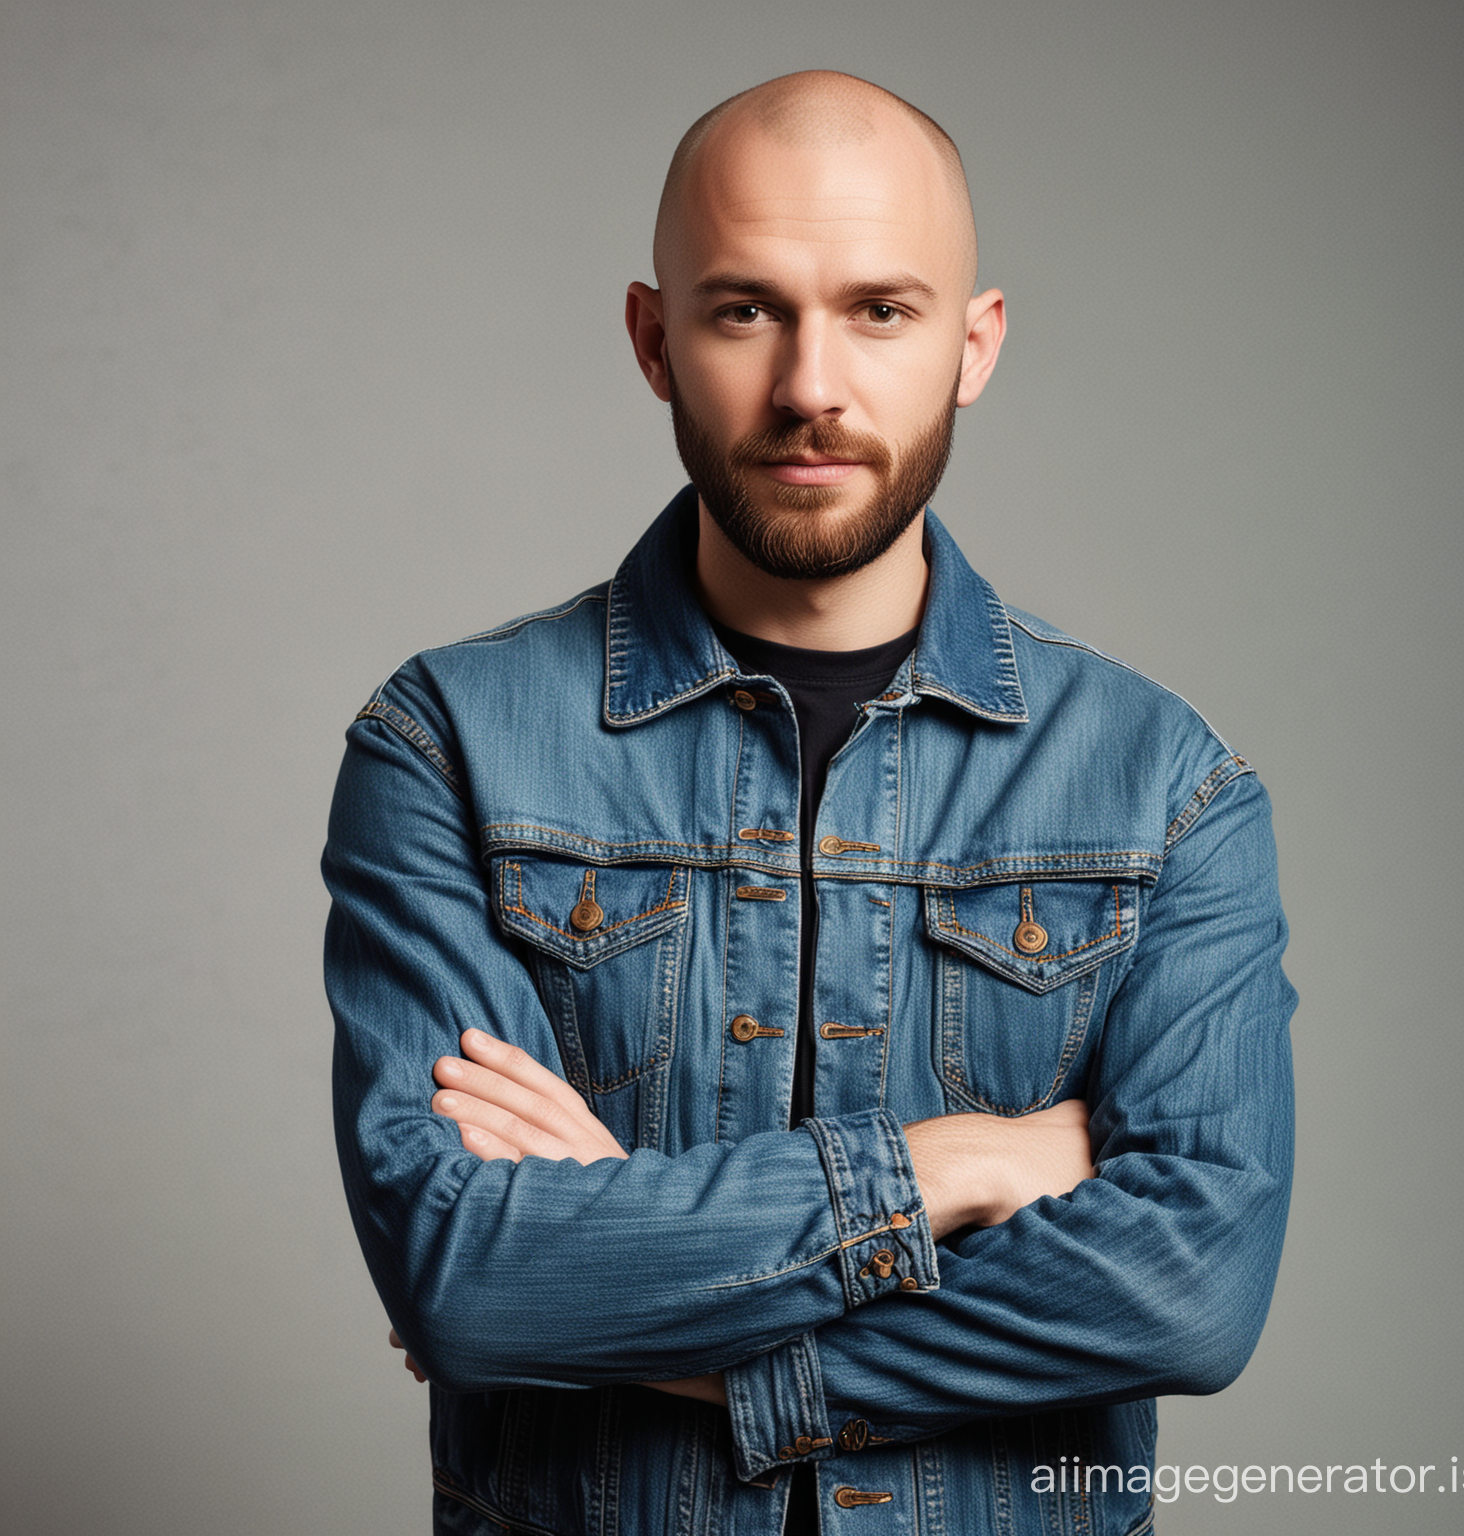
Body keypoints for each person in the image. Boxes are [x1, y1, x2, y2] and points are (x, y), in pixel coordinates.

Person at [323, 70, 1295, 1536]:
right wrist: (960, 1163)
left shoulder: (1169, 786)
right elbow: (469, 1278)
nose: (810, 388)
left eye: (881, 312)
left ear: (976, 346)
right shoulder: (450, 743)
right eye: (744, 310)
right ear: (654, 339)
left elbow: (1190, 1295)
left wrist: (669, 1330)